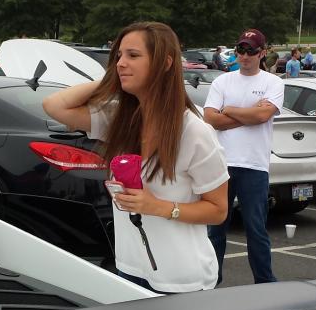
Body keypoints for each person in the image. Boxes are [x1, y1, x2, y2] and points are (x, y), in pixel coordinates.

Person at [42, 21, 230, 293]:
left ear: (165, 63)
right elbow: (54, 105)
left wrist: (159, 207)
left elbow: (218, 210)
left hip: (181, 280)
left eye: (133, 55)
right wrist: (110, 81)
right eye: (119, 56)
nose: (121, 63)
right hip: (129, 268)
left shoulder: (194, 132)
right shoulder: (120, 119)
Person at [203, 29, 282, 284]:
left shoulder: (273, 82)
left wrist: (229, 110)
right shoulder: (222, 82)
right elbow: (210, 118)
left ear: (262, 53)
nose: (245, 56)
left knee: (256, 230)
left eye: (251, 51)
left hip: (254, 166)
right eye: (241, 50)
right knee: (215, 229)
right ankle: (210, 281)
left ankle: (265, 283)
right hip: (221, 164)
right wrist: (249, 115)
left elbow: (262, 116)